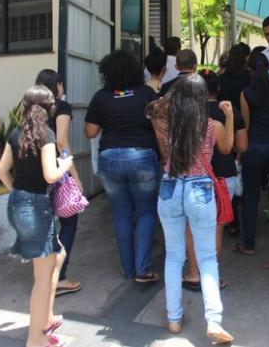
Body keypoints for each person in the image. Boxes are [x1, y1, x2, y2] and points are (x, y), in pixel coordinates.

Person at [147, 73, 235, 344]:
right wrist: (229, 115)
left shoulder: (166, 124)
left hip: (170, 187)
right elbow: (228, 148)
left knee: (174, 257)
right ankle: (214, 321)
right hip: (200, 190)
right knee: (207, 258)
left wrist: (170, 98)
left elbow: (152, 109)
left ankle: (174, 319)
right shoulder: (212, 125)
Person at [0, 85, 73, 347]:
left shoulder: (15, 133)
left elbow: (1, 172)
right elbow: (50, 175)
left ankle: (47, 318)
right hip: (37, 207)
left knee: (58, 255)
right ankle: (36, 339)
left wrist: (18, 193)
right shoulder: (47, 134)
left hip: (18, 203)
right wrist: (65, 163)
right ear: (50, 108)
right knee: (41, 279)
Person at [84, 49, 160, 282]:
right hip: (142, 157)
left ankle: (127, 269)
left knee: (121, 214)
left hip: (110, 158)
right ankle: (142, 269)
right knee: (146, 211)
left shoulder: (101, 97)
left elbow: (90, 132)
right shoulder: (147, 93)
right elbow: (160, 127)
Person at [182, 69, 248, 292]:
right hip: (223, 177)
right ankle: (212, 275)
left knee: (191, 228)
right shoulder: (228, 112)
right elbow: (238, 147)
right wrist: (229, 117)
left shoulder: (186, 114)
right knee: (216, 229)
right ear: (217, 89)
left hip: (193, 178)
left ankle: (193, 273)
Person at [35, 69, 83, 297]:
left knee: (46, 226)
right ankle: (59, 276)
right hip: (56, 170)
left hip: (35, 171)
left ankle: (43, 278)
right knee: (69, 221)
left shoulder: (32, 108)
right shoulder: (61, 107)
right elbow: (61, 141)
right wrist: (74, 174)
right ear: (59, 86)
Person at [234, 52, 269, 255]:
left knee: (251, 197)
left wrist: (239, 154)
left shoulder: (246, 93)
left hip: (254, 148)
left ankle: (248, 244)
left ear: (250, 70)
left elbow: (244, 127)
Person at [218, 43, 251, 110]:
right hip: (243, 117)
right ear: (245, 58)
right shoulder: (249, 78)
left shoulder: (221, 78)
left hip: (224, 115)